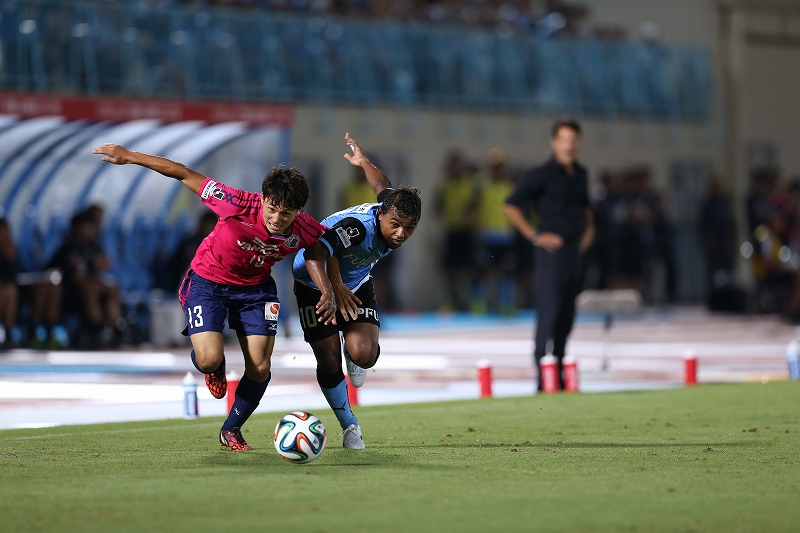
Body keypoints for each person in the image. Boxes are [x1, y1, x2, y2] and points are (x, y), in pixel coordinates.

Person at [92, 143, 335, 452]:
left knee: (260, 367)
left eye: (286, 213)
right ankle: (214, 367)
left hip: (256, 291)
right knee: (208, 360)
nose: (276, 218)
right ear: (263, 199)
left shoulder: (305, 229)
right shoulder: (236, 202)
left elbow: (324, 247)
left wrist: (330, 288)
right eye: (271, 208)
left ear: (299, 211)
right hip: (208, 282)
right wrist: (130, 157)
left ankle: (231, 429)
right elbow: (183, 173)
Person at [292, 133, 421, 449]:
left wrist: (364, 161)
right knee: (328, 360)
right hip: (314, 281)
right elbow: (317, 253)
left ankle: (354, 352)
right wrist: (331, 290)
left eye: (409, 227)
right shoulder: (358, 226)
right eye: (395, 225)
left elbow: (381, 184)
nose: (401, 233)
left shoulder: (391, 205)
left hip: (354, 282)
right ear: (381, 215)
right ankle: (350, 426)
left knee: (364, 355)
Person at [504, 117, 594, 391]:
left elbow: (586, 209)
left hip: (574, 252)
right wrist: (534, 235)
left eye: (573, 140)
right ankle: (543, 378)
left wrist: (589, 232)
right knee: (550, 313)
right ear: (554, 142)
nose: (569, 146)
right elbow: (511, 205)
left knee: (567, 314)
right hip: (550, 254)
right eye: (563, 140)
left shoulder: (580, 174)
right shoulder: (541, 173)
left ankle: (562, 372)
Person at [48, 211, 123, 348]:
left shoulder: (92, 246)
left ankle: (114, 327)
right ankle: (96, 328)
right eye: (84, 228)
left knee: (111, 292)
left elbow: (107, 264)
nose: (88, 232)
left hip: (93, 287)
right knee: (91, 289)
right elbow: (77, 278)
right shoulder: (68, 249)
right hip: (70, 293)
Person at [0, 218, 20, 349]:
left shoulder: (8, 250)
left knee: (10, 291)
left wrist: (10, 258)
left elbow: (13, 277)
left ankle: (8, 334)